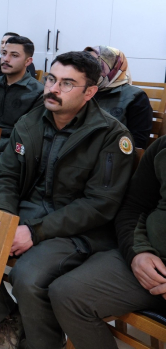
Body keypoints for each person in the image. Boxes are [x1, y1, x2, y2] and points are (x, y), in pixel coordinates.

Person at [0, 51, 134, 349]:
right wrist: (4, 218)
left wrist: (34, 232)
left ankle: (44, 342)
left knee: (28, 277)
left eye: (67, 83)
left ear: (90, 92)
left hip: (75, 229)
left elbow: (99, 204)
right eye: (51, 79)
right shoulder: (30, 121)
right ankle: (13, 316)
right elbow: (5, 176)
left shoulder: (110, 135)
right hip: (24, 215)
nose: (53, 88)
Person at [50, 136, 166, 349]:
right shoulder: (162, 147)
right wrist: (138, 253)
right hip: (150, 260)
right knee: (67, 293)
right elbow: (134, 206)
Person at [0, 36, 44, 153]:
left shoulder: (38, 92)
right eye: (4, 53)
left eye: (14, 55)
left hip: (11, 148)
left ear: (28, 61)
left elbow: (29, 134)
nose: (6, 59)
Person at [85, 45, 153, 149]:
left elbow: (137, 143)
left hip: (110, 154)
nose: (85, 69)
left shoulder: (136, 97)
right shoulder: (80, 90)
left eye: (94, 63)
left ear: (114, 67)